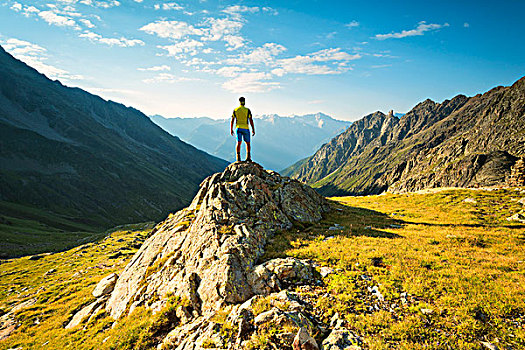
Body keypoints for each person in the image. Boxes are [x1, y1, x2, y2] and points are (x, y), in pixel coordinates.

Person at [230, 96, 255, 162]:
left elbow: (232, 120)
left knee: (238, 142)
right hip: (246, 128)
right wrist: (253, 129)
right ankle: (248, 157)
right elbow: (251, 120)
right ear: (244, 101)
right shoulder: (247, 110)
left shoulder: (236, 110)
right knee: (248, 143)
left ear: (239, 102)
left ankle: (238, 158)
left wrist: (231, 129)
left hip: (238, 128)